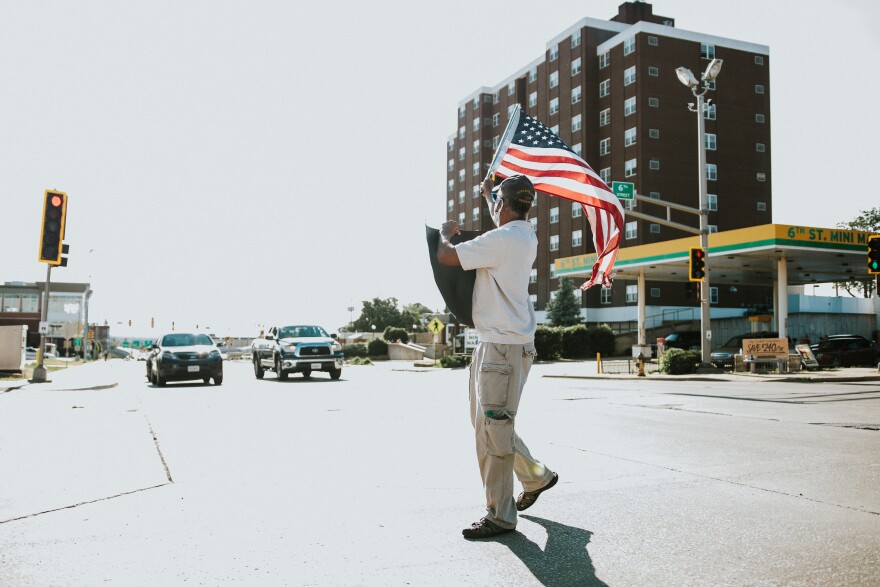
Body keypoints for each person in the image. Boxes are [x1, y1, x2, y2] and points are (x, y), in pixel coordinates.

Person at [437, 174, 558, 539]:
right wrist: (489, 195)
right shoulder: (522, 234)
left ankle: (500, 516)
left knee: (495, 430)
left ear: (504, 206)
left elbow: (447, 256)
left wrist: (447, 231)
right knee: (489, 426)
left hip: (502, 349)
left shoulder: (504, 239)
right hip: (496, 344)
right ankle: (535, 476)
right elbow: (497, 221)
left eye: (495, 203)